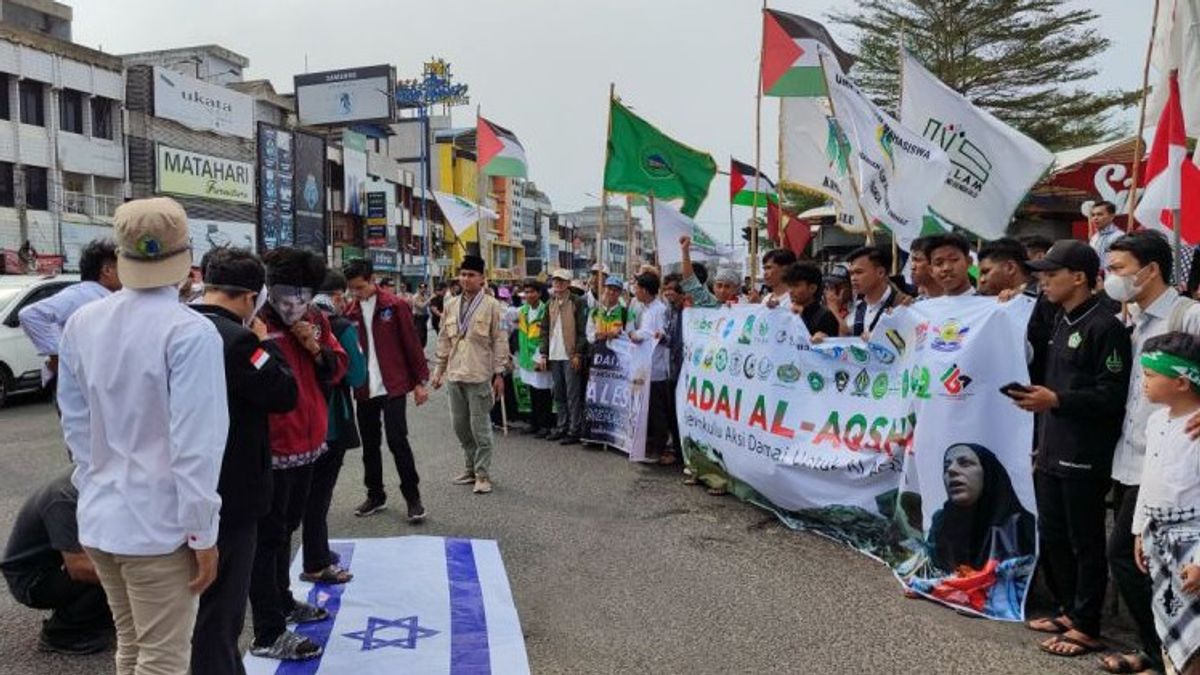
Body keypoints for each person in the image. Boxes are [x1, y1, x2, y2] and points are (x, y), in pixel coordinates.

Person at [58, 197, 227, 674]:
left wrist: (93, 483)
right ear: (185, 257)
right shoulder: (190, 332)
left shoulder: (82, 322)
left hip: (100, 516)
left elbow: (75, 421)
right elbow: (196, 445)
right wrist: (203, 533)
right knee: (163, 659)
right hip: (159, 526)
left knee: (132, 647)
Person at [1014, 239, 1132, 658]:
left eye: (1051, 274)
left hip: (1084, 452)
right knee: (1055, 535)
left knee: (1085, 541)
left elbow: (1110, 396)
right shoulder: (1060, 319)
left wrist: (1058, 401)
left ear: (1079, 278)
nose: (1043, 282)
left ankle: (1088, 624)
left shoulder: (1106, 327)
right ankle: (1067, 609)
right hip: (1051, 446)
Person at [191, 248, 299, 675]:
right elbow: (282, 392)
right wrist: (262, 341)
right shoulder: (236, 340)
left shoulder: (177, 324)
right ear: (250, 297)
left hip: (169, 492)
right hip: (229, 492)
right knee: (220, 612)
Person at [1100, 231, 1200, 675]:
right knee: (1139, 555)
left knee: (1125, 554)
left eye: (1118, 269)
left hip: (1182, 461)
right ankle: (1159, 650)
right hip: (1138, 454)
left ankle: (1169, 653)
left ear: (1150, 269)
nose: (1112, 278)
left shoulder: (1188, 315)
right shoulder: (1134, 318)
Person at [248, 247, 348, 662]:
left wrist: (317, 349)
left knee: (287, 529)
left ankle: (285, 602)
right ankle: (267, 631)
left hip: (309, 446)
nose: (294, 305)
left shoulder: (317, 319)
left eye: (302, 296)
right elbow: (248, 374)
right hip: (269, 448)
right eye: (286, 295)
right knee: (265, 540)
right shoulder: (255, 324)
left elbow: (340, 367)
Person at [1131, 332, 1200, 675]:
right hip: (1158, 537)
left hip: (1191, 543)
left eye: (1151, 375)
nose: (1143, 382)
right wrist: (1139, 531)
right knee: (1168, 623)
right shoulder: (1157, 422)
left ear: (1182, 382)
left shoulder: (1197, 430)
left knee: (1195, 637)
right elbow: (1150, 479)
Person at [343, 258, 430, 521]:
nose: (355, 293)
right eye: (351, 289)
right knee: (370, 445)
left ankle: (413, 498)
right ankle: (375, 494)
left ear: (371, 280)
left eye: (359, 287)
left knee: (397, 441)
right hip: (364, 388)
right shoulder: (350, 313)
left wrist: (419, 382)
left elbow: (411, 344)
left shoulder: (395, 306)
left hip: (392, 386)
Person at [1, 469, 112, 655]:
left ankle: (102, 615)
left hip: (62, 563)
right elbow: (78, 568)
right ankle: (63, 632)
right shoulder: (64, 497)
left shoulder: (99, 481)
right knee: (117, 573)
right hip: (33, 580)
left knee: (124, 562)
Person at [302, 270, 367, 586]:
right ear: (338, 296)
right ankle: (316, 559)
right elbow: (356, 376)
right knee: (319, 494)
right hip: (330, 417)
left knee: (304, 492)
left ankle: (319, 551)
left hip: (298, 417)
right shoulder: (339, 327)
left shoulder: (289, 322)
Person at [431, 255, 510, 494]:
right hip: (455, 374)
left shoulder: (493, 306)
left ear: (482, 279)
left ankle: (482, 474)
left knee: (480, 427)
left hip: (479, 375)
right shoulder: (451, 304)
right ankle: (470, 468)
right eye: (463, 274)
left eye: (471, 275)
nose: (466, 279)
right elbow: (445, 339)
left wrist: (499, 374)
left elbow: (500, 340)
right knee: (460, 426)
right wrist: (438, 371)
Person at [19, 238, 121, 390]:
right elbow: (31, 315)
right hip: (78, 383)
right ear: (107, 270)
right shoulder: (82, 294)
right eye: (123, 267)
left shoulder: (110, 297)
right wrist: (59, 356)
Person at [927, 444, 1036, 574]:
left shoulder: (1020, 524)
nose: (951, 470)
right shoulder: (940, 523)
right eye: (946, 466)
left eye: (965, 463)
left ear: (988, 472)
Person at [629, 273, 673, 464]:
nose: (635, 291)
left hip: (656, 369)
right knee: (647, 409)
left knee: (657, 411)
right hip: (644, 367)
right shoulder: (645, 309)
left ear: (645, 290)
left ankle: (660, 448)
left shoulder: (660, 310)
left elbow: (658, 334)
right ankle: (650, 444)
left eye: (637, 287)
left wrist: (637, 335)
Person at [541, 268, 588, 445]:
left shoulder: (578, 302)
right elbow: (544, 330)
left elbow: (583, 331)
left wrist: (578, 353)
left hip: (570, 355)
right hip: (554, 354)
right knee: (559, 393)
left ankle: (574, 429)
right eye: (555, 281)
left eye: (561, 281)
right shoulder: (550, 303)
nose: (558, 284)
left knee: (573, 394)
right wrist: (544, 352)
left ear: (568, 283)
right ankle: (562, 426)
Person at [516, 279, 554, 437]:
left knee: (543, 392)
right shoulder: (523, 310)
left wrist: (540, 356)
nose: (529, 295)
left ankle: (545, 424)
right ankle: (534, 422)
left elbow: (547, 335)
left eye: (532, 292)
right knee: (532, 390)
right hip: (526, 358)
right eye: (527, 292)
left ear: (539, 293)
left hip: (540, 357)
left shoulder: (546, 310)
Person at [848, 246, 904, 338]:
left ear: (881, 272)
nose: (853, 278)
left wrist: (878, 339)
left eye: (859, 272)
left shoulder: (902, 305)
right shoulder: (856, 308)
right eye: (851, 273)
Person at [783, 261, 840, 338]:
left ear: (812, 288)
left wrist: (801, 318)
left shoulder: (825, 316)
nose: (790, 291)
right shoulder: (785, 311)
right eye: (789, 286)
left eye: (796, 286)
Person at [908, 236, 942, 301]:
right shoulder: (913, 306)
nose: (912, 267)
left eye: (918, 260)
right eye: (912, 260)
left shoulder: (961, 305)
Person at [823, 264, 853, 336]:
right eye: (830, 285)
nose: (832, 291)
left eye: (838, 286)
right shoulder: (824, 308)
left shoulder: (860, 308)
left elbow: (846, 335)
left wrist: (834, 310)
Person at [412, 281, 431, 348]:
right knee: (419, 336)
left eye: (425, 287)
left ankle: (422, 354)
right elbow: (421, 306)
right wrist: (428, 300)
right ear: (418, 288)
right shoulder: (415, 297)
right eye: (421, 287)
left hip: (424, 319)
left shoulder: (425, 296)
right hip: (418, 319)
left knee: (424, 337)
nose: (423, 289)